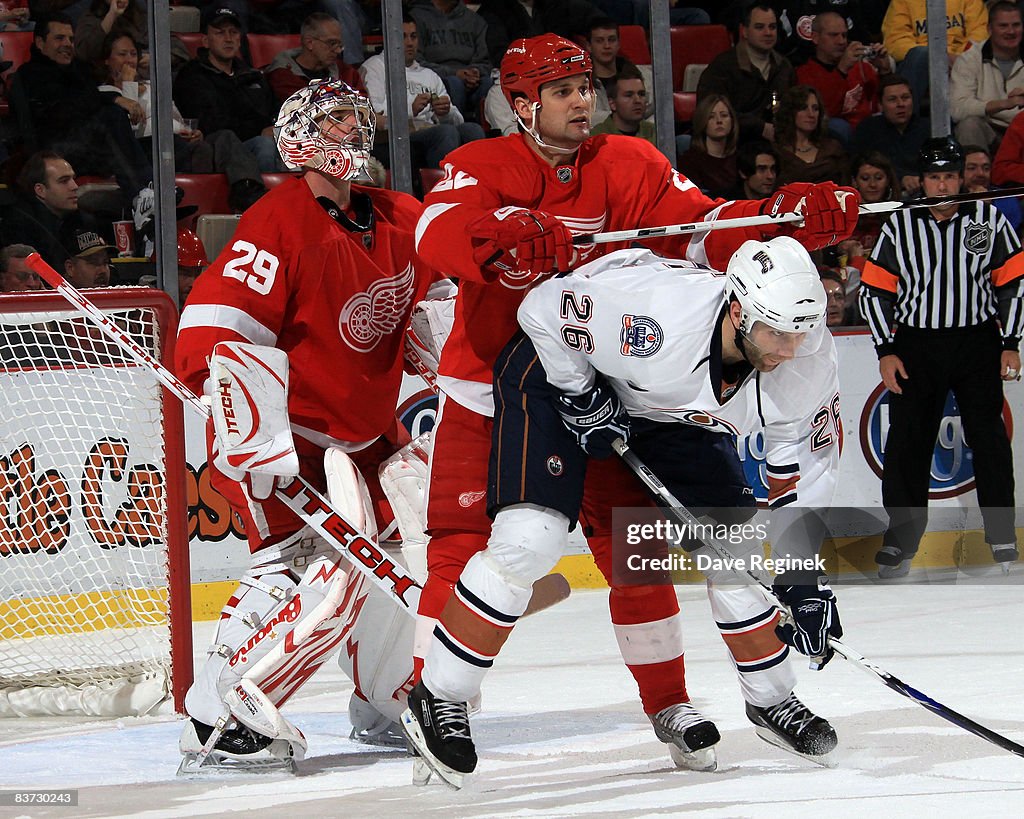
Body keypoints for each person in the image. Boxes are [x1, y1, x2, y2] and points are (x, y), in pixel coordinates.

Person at [404, 32, 858, 784]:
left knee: (643, 561)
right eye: (562, 91)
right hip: (504, 385)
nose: (584, 100)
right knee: (487, 547)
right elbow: (435, 232)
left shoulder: (631, 163)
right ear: (521, 106)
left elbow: (706, 232)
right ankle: (433, 697)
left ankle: (677, 703)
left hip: (623, 392)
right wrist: (494, 238)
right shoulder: (479, 166)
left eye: (587, 86)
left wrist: (781, 215)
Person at [174, 79, 445, 770]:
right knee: (295, 569)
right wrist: (239, 418)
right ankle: (215, 713)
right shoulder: (279, 222)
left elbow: (448, 280)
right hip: (286, 442)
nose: (354, 134)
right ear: (301, 138)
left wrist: (436, 323)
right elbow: (215, 324)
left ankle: (387, 695)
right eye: (337, 123)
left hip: (363, 435)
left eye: (359, 121)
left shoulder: (396, 216)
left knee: (386, 562)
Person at [859, 137, 1023, 578]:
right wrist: (886, 350)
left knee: (988, 440)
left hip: (976, 341)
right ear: (922, 181)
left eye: (951, 174)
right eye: (936, 176)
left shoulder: (987, 217)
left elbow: (1013, 282)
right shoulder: (900, 224)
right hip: (917, 345)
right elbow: (876, 291)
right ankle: (901, 540)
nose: (944, 184)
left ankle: (1003, 535)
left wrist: (1011, 341)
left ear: (962, 176)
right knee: (907, 443)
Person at [7, 12, 152, 198]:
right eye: (59, 38)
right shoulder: (27, 76)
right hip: (51, 153)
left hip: (86, 149)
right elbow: (63, 113)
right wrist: (112, 99)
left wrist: (108, 99)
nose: (68, 44)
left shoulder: (79, 70)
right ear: (40, 42)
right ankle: (142, 196)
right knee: (111, 117)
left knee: (154, 143)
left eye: (71, 39)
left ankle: (152, 192)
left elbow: (88, 99)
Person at [360, 14, 485, 171]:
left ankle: (478, 189)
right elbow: (375, 113)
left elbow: (457, 120)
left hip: (431, 130)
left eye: (413, 37)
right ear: (388, 38)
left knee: (472, 130)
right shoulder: (374, 67)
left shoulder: (429, 74)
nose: (409, 43)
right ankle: (441, 190)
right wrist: (410, 109)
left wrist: (445, 113)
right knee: (445, 133)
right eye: (402, 37)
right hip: (397, 136)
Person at [172, 6, 283, 173]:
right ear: (205, 41)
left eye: (233, 32)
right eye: (220, 33)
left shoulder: (252, 74)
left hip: (264, 140)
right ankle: (265, 198)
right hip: (221, 150)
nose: (228, 38)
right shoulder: (192, 76)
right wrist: (260, 130)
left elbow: (276, 108)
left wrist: (276, 127)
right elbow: (210, 124)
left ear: (240, 40)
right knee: (265, 145)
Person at [697, 3, 795, 144]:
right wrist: (760, 128)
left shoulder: (784, 66)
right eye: (759, 27)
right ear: (744, 31)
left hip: (776, 144)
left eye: (772, 27)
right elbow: (708, 113)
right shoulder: (722, 67)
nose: (768, 33)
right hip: (732, 144)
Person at [796, 11, 891, 145]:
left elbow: (884, 103)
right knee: (838, 126)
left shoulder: (862, 68)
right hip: (832, 138)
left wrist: (885, 72)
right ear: (816, 38)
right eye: (833, 35)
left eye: (844, 35)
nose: (841, 41)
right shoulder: (804, 74)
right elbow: (822, 115)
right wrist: (841, 71)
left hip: (867, 132)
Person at [882, 0, 988, 116]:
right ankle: (907, 124)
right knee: (921, 55)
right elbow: (895, 41)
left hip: (959, 60)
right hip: (922, 61)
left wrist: (961, 58)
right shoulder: (902, 2)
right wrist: (938, 57)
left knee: (976, 59)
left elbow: (980, 34)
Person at [950, 1, 1024, 151]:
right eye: (1003, 26)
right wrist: (1003, 104)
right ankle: (976, 173)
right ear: (989, 29)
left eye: (1016, 25)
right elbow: (957, 109)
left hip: (1021, 129)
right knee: (968, 125)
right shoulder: (969, 59)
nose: (1011, 31)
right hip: (991, 130)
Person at [0, 151, 86, 272]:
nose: (75, 186)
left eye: (73, 179)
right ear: (40, 190)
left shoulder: (79, 219)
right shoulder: (19, 226)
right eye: (64, 181)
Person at [408, 0, 492, 122]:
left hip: (471, 79)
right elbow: (416, 61)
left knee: (487, 83)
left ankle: (483, 135)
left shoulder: (475, 20)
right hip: (438, 79)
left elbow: (486, 60)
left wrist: (475, 71)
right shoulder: (417, 17)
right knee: (455, 83)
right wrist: (455, 73)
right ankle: (457, 130)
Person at [852, 74, 932, 197]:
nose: (900, 104)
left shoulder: (929, 128)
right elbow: (860, 168)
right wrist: (900, 179)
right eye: (892, 99)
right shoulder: (867, 129)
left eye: (905, 98)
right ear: (880, 105)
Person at [264, 12, 365, 106]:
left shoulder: (346, 72)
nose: (338, 51)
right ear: (310, 43)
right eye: (332, 43)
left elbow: (364, 106)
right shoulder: (283, 76)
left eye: (340, 45)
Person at [774, 85, 849, 185]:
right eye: (803, 108)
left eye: (815, 108)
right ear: (790, 112)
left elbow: (846, 186)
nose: (811, 114)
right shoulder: (778, 152)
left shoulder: (833, 148)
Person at [677, 93, 739, 198]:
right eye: (711, 117)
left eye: (724, 115)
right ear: (702, 121)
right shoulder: (689, 162)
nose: (719, 121)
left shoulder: (740, 159)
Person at [962, 142, 1022, 231]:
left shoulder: (1005, 199)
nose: (980, 173)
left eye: (986, 168)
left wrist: (986, 208)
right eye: (972, 168)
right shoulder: (949, 202)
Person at [74, 0, 148, 71]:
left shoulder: (141, 15)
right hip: (107, 78)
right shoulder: (90, 18)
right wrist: (112, 15)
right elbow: (84, 52)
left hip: (144, 77)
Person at [589, 68, 654, 144]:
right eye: (629, 95)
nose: (638, 100)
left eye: (641, 94)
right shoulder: (597, 138)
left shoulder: (655, 133)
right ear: (612, 104)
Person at [60, 223, 113, 288]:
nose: (103, 271)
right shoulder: (54, 297)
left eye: (105, 262)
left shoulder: (115, 295)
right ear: (70, 268)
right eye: (94, 262)